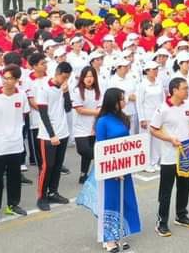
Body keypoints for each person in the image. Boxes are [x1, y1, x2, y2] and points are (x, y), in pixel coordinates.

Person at [77, 87, 141, 253]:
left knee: (124, 199)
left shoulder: (123, 117)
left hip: (124, 166)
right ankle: (108, 239)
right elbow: (100, 147)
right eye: (121, 99)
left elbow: (127, 143)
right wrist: (113, 169)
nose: (124, 101)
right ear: (113, 101)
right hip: (108, 169)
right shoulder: (102, 121)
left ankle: (121, 234)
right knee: (109, 201)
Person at [148, 77, 189, 238]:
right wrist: (170, 139)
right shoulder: (163, 109)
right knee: (166, 191)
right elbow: (153, 129)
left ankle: (181, 215)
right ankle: (162, 222)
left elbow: (188, 126)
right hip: (169, 157)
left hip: (186, 155)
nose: (187, 91)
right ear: (174, 90)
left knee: (184, 186)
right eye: (184, 88)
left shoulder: (187, 105)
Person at [0, 64, 30, 224]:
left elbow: (24, 115)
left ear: (16, 80)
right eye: (4, 78)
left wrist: (15, 132)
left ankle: (13, 204)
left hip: (15, 144)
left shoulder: (21, 95)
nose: (5, 81)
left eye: (9, 78)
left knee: (14, 177)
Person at [35, 61, 72, 211]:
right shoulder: (44, 88)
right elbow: (43, 114)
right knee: (47, 166)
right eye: (64, 77)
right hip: (48, 135)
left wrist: (66, 92)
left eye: (68, 78)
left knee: (57, 165)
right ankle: (41, 196)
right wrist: (52, 134)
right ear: (57, 73)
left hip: (63, 132)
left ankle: (53, 192)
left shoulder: (63, 88)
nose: (65, 80)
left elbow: (68, 108)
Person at [70, 66, 101, 184]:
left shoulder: (98, 91)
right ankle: (102, 161)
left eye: (91, 76)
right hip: (80, 127)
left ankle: (83, 174)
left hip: (93, 127)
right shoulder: (77, 91)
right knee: (84, 150)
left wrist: (95, 123)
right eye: (87, 76)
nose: (89, 79)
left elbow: (100, 107)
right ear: (82, 77)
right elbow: (80, 110)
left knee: (87, 154)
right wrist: (97, 112)